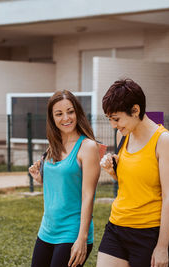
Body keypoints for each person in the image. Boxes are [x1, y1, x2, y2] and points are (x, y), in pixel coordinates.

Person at [97, 79, 169, 267]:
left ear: (135, 110)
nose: (113, 125)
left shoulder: (164, 141)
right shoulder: (123, 135)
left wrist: (162, 247)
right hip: (116, 227)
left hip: (148, 234)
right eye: (109, 119)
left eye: (116, 118)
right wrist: (112, 171)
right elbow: (131, 183)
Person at [29, 90, 101, 267]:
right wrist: (42, 180)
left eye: (70, 111)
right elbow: (65, 185)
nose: (66, 118)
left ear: (77, 112)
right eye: (59, 114)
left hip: (72, 232)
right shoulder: (53, 145)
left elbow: (87, 195)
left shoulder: (88, 147)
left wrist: (82, 238)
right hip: (47, 230)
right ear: (52, 118)